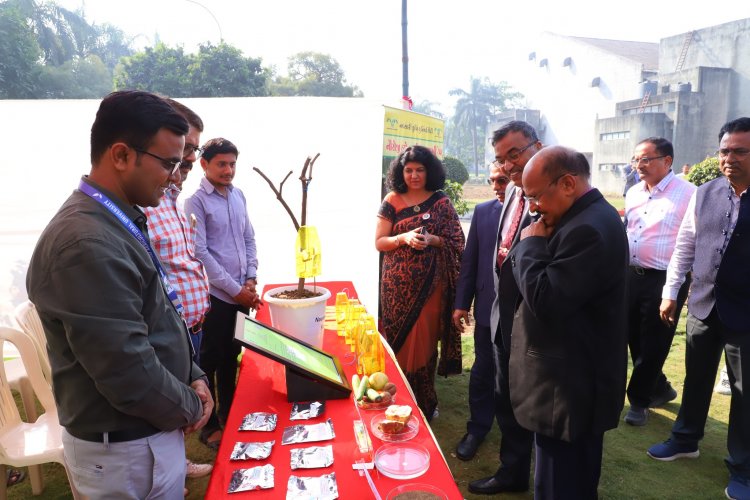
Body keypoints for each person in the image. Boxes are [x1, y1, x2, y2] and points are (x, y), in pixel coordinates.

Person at [26, 90, 213, 499]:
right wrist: (191, 405)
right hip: (123, 451)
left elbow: (158, 315)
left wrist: (193, 375)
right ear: (122, 155)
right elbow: (127, 373)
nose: (174, 176)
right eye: (169, 163)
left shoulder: (116, 219)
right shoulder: (85, 243)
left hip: (142, 438)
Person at [509, 146, 628, 499]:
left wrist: (529, 248)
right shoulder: (584, 218)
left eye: (535, 197)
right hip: (569, 383)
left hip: (567, 391)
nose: (533, 208)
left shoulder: (587, 229)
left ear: (567, 184)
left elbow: (547, 300)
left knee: (561, 486)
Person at [648, 117, 750, 500]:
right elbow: (686, 245)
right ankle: (685, 438)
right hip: (704, 304)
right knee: (696, 378)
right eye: (725, 150)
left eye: (740, 151)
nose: (730, 158)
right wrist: (671, 291)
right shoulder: (704, 193)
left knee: (745, 392)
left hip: (747, 313)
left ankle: (743, 467)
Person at [142, 99, 213, 482]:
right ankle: (170, 472)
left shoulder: (171, 199)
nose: (186, 160)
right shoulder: (145, 203)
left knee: (187, 397)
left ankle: (176, 466)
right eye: (182, 150)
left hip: (191, 324)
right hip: (169, 330)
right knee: (170, 404)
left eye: (192, 151)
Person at [469, 120, 541, 495]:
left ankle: (534, 471)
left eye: (515, 153)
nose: (510, 164)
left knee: (531, 404)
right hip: (501, 317)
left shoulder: (549, 192)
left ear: (536, 145)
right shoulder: (513, 191)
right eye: (502, 158)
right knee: (504, 399)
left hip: (534, 322)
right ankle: (512, 472)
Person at [376, 145, 465, 420]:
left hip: (430, 290)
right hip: (395, 288)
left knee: (425, 344)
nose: (414, 175)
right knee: (397, 342)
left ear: (430, 172)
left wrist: (433, 240)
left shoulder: (441, 203)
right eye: (409, 170)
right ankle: (396, 400)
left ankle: (424, 402)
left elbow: (457, 241)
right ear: (401, 172)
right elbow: (379, 242)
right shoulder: (392, 199)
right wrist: (403, 238)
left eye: (420, 170)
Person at [186, 137, 261, 450]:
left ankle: (231, 415)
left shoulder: (238, 195)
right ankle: (211, 424)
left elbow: (248, 238)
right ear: (204, 165)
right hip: (215, 297)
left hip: (243, 292)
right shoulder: (196, 202)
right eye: (222, 164)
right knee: (211, 360)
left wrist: (252, 278)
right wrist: (235, 290)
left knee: (233, 355)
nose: (228, 170)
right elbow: (200, 252)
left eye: (232, 164)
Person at [622, 137, 696, 426]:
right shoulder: (634, 192)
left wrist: (675, 289)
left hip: (665, 280)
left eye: (646, 159)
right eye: (636, 159)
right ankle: (661, 387)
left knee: (655, 341)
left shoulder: (689, 194)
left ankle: (639, 401)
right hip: (632, 275)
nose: (639, 165)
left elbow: (692, 242)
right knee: (633, 337)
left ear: (667, 161)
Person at [451, 162, 508, 460]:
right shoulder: (484, 211)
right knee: (483, 371)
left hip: (521, 315)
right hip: (486, 308)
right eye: (492, 181)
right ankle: (478, 428)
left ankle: (516, 434)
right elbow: (469, 262)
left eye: (503, 180)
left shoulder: (536, 210)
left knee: (513, 377)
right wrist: (462, 303)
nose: (497, 186)